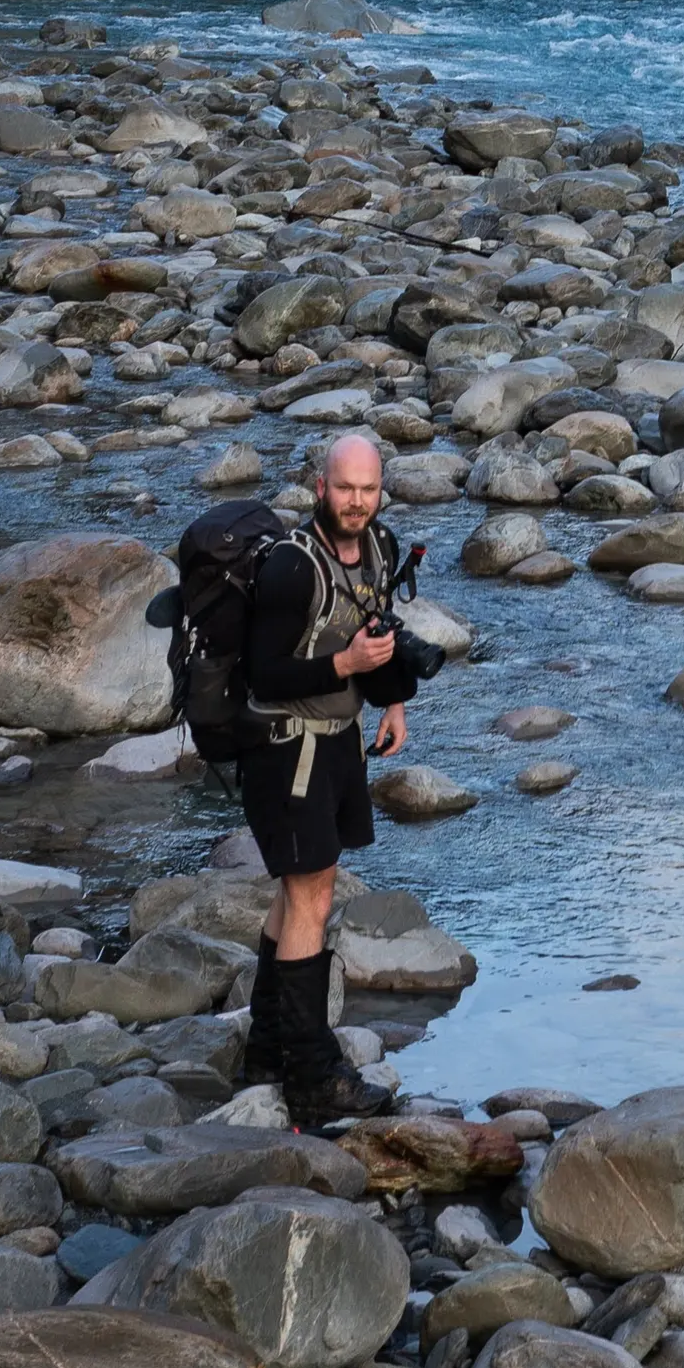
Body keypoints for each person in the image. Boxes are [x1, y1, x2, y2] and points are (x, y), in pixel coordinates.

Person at [237, 427, 432, 1124]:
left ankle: (265, 1050)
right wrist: (343, 667)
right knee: (312, 895)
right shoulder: (293, 566)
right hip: (284, 746)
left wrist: (394, 696)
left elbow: (376, 624)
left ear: (382, 489)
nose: (356, 501)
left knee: (299, 892)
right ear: (320, 486)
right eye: (344, 488)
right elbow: (264, 672)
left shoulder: (378, 546)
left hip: (339, 738)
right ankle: (312, 1076)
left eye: (367, 489)